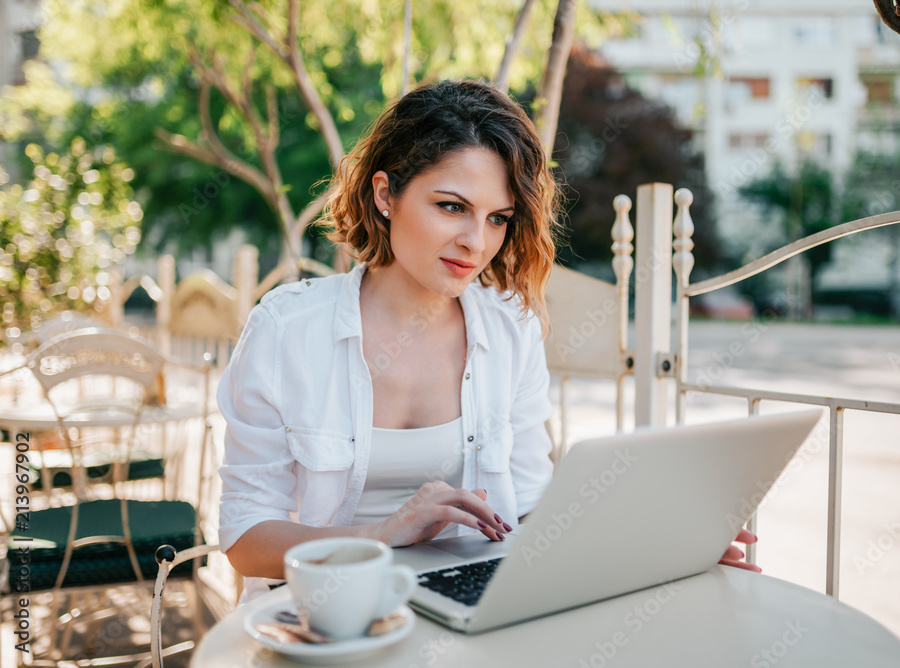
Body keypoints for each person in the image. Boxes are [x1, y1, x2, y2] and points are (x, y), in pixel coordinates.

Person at [217, 79, 758, 603]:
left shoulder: (510, 328)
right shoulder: (287, 329)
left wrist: (654, 544)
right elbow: (245, 540)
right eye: (451, 206)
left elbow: (530, 510)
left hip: (475, 604)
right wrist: (382, 535)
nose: (476, 243)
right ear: (385, 194)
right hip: (321, 615)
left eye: (498, 218)